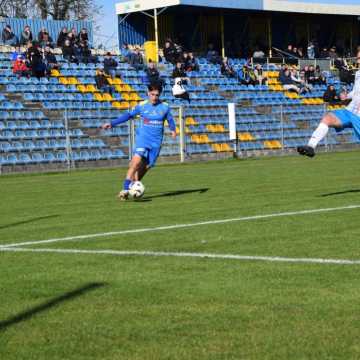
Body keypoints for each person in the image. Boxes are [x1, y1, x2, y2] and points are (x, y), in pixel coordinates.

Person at [101, 83, 176, 200]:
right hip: (143, 139)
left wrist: (173, 130)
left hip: (156, 142)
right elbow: (128, 115)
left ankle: (133, 185)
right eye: (152, 94)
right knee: (135, 162)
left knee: (146, 166)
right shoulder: (142, 106)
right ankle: (125, 188)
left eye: (157, 95)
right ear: (148, 93)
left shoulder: (165, 106)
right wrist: (112, 123)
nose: (154, 97)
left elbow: (170, 119)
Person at [297, 70, 360, 158]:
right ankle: (311, 146)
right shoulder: (358, 73)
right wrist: (347, 96)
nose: (358, 59)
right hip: (349, 111)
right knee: (327, 119)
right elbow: (356, 92)